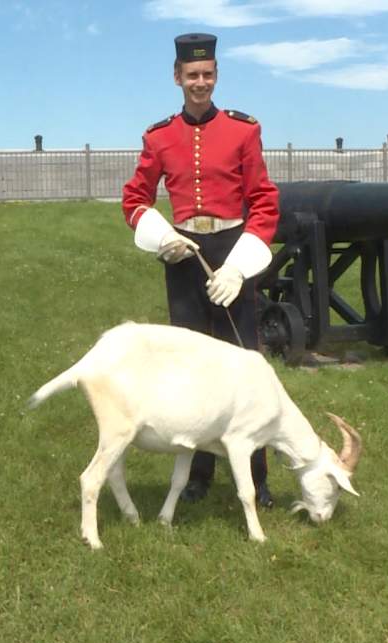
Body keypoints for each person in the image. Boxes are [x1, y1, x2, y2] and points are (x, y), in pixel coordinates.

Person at [121, 33, 279, 507]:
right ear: (177, 77)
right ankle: (198, 476)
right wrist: (162, 238)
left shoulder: (243, 130)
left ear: (216, 76)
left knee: (244, 367)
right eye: (192, 75)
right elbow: (135, 199)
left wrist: (240, 266)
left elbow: (264, 201)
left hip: (234, 251)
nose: (200, 83)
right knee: (191, 372)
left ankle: (257, 478)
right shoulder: (159, 136)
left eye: (208, 74)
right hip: (185, 257)